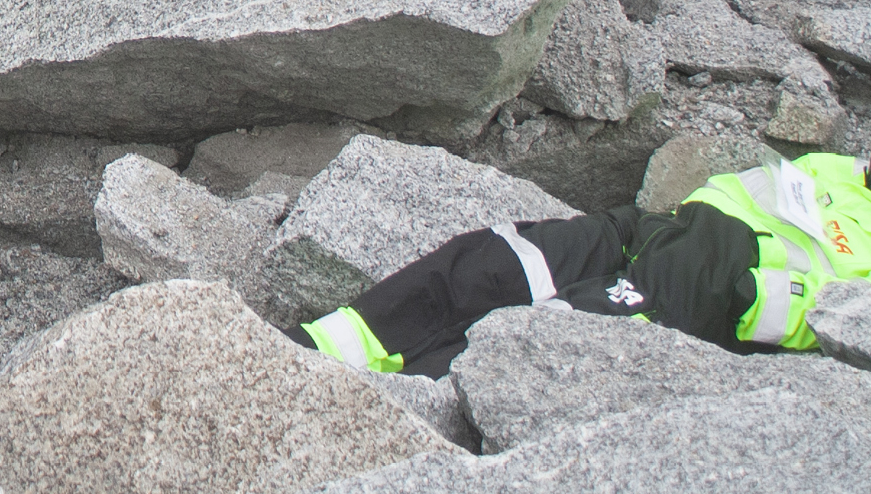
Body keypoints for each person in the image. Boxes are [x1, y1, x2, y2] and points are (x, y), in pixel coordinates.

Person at [300, 150, 871, 377]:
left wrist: (755, 301)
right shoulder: (846, 167)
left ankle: (364, 411)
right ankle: (298, 354)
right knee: (488, 264)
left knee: (530, 346)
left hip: (708, 292)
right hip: (650, 229)